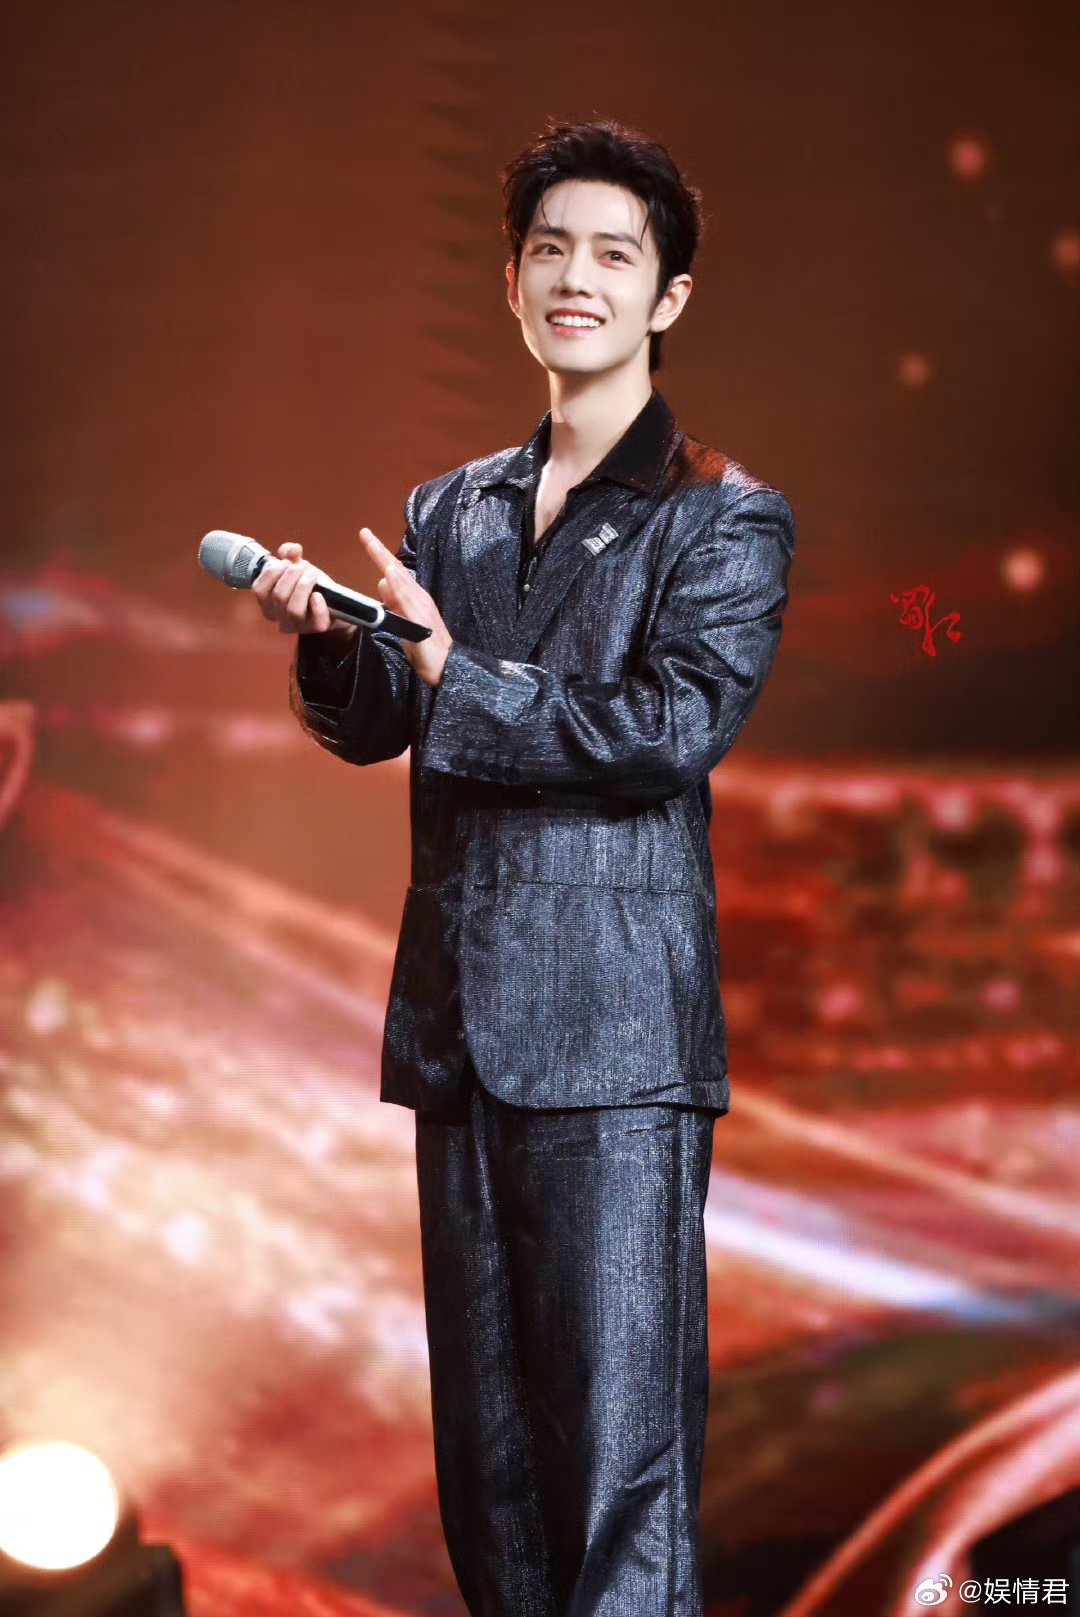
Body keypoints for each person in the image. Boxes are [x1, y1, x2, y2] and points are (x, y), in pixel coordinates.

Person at [257, 117, 796, 1617]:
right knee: (489, 1488)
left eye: (614, 255)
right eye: (549, 249)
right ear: (510, 282)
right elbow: (391, 718)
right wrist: (336, 646)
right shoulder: (454, 508)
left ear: (667, 297)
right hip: (462, 1038)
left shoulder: (723, 514)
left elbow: (668, 731)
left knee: (620, 1485)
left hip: (616, 1049)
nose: (577, 278)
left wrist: (455, 668)